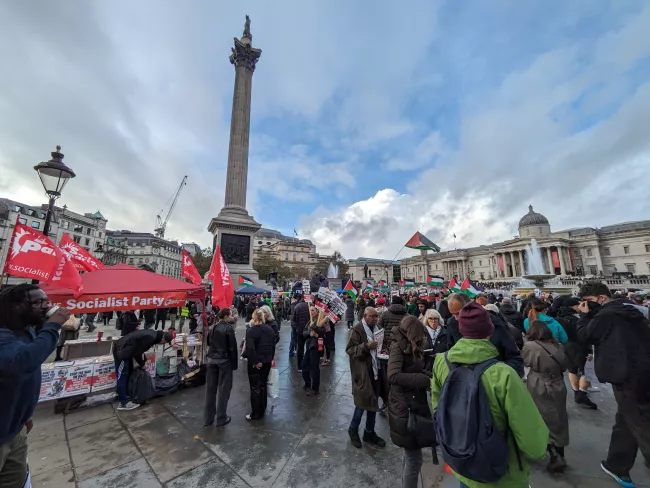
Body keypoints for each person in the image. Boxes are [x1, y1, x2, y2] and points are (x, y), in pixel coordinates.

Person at [431, 302, 549, 487]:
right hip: (499, 469)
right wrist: (538, 450)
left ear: (461, 330)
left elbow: (438, 407)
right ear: (489, 331)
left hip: (460, 457)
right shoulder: (503, 373)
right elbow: (529, 432)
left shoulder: (440, 362)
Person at [576, 282, 650, 488]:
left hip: (629, 378)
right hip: (641, 372)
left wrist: (584, 316)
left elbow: (584, 336)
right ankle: (616, 465)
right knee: (626, 421)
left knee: (643, 425)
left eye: (587, 301)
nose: (585, 305)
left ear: (601, 298)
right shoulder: (629, 310)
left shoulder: (605, 315)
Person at [0, 284, 72, 488]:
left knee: (16, 481)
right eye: (39, 302)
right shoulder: (3, 334)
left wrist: (24, 412)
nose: (46, 306)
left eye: (46, 301)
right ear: (15, 307)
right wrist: (53, 325)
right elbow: (23, 362)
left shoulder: (24, 330)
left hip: (15, 428)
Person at [387, 316, 432, 488]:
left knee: (410, 456)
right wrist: (422, 380)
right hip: (404, 406)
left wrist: (430, 377)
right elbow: (393, 375)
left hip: (411, 403)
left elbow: (417, 369)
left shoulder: (411, 346)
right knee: (414, 460)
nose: (421, 338)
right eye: (419, 334)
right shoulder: (398, 347)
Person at [522, 320, 570, 473]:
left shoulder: (530, 346)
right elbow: (564, 365)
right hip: (558, 383)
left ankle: (553, 454)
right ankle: (560, 452)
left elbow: (525, 361)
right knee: (559, 417)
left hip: (538, 383)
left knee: (541, 417)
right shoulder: (558, 346)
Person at [449, 293, 524, 376]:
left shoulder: (495, 324)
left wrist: (497, 374)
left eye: (458, 313)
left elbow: (515, 360)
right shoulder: (452, 324)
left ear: (470, 307)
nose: (456, 318)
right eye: (452, 314)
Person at [346, 307, 386, 449]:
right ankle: (353, 429)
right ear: (365, 316)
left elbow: (382, 345)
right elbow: (350, 350)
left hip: (377, 371)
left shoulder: (378, 328)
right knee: (362, 404)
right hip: (362, 373)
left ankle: (369, 432)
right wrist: (366, 346)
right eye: (372, 316)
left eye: (377, 316)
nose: (375, 319)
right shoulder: (357, 329)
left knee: (373, 404)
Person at [113, 329, 173, 411]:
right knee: (122, 377)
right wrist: (142, 364)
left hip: (126, 350)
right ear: (163, 339)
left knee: (127, 374)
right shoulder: (150, 338)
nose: (163, 344)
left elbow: (140, 350)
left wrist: (144, 361)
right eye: (164, 343)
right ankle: (123, 403)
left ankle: (126, 397)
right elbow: (138, 352)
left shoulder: (152, 335)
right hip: (122, 351)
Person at [554, 297, 598, 409]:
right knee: (586, 370)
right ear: (572, 306)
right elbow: (582, 334)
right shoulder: (576, 318)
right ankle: (582, 393)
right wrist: (589, 350)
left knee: (572, 369)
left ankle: (576, 391)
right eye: (578, 304)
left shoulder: (559, 317)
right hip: (578, 346)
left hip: (566, 345)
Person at [204, 308, 238, 428]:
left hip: (212, 360)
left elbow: (208, 342)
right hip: (224, 361)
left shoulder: (213, 327)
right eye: (230, 315)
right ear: (226, 316)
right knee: (224, 390)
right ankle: (221, 417)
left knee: (210, 390)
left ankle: (208, 418)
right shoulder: (228, 329)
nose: (232, 317)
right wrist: (234, 364)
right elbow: (233, 348)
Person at [244, 309, 276, 420]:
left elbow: (250, 349)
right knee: (263, 385)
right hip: (266, 361)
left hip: (256, 362)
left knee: (255, 388)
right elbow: (273, 346)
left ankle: (256, 413)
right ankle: (262, 409)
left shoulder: (251, 331)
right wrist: (270, 358)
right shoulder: (270, 329)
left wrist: (255, 362)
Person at [303, 307, 327, 396]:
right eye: (310, 310)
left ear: (317, 311)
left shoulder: (321, 321)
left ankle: (315, 388)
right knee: (304, 366)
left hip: (316, 348)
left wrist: (316, 332)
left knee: (314, 369)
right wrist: (309, 333)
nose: (311, 312)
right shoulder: (309, 321)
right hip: (309, 347)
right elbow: (304, 333)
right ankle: (307, 384)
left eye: (313, 310)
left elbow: (323, 332)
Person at [422, 308, 448, 373]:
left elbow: (451, 349)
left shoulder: (446, 332)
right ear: (427, 320)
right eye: (430, 318)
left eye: (435, 318)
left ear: (439, 319)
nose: (433, 321)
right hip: (426, 369)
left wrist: (442, 355)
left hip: (442, 367)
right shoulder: (422, 333)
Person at [291, 294, 310, 373]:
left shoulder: (297, 306)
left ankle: (300, 366)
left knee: (300, 348)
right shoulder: (310, 305)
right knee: (309, 348)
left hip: (300, 331)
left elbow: (294, 319)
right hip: (309, 330)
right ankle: (308, 364)